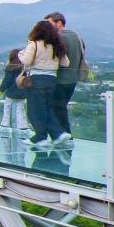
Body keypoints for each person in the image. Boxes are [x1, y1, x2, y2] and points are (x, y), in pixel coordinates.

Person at [18, 19, 72, 149]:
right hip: (52, 79)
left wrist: (20, 54)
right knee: (47, 108)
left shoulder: (34, 44)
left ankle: (41, 137)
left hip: (36, 79)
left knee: (34, 109)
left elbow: (26, 60)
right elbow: (66, 63)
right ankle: (58, 133)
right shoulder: (56, 45)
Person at [46, 11, 87, 145]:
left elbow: (55, 58)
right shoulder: (77, 36)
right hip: (73, 78)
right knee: (61, 108)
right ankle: (64, 136)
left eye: (50, 23)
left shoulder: (58, 38)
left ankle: (62, 136)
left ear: (59, 23)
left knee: (54, 108)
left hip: (60, 78)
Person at [0, 48, 30, 136]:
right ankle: (23, 127)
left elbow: (6, 81)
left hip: (11, 94)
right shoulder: (25, 69)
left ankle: (4, 125)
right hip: (22, 94)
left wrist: (0, 90)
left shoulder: (10, 69)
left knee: (7, 108)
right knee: (20, 110)